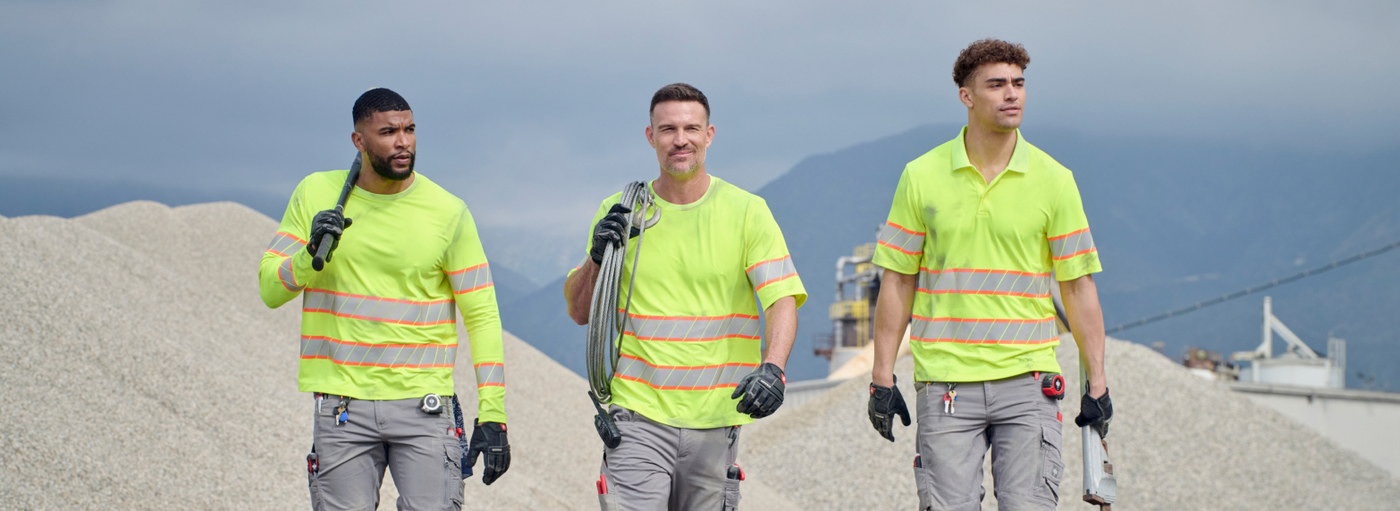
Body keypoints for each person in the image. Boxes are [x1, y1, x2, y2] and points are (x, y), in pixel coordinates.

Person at [864, 40, 1114, 510]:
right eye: (996, 84)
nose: (1011, 94)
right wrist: (881, 377)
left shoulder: (1055, 179)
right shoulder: (921, 176)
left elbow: (1078, 285)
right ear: (966, 96)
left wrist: (1097, 383)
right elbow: (897, 280)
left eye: (1018, 83)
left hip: (1029, 380)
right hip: (945, 381)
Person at [259, 88, 511, 511]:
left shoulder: (447, 210)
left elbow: (482, 315)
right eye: (388, 132)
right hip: (342, 406)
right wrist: (309, 255)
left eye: (410, 130)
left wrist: (494, 414)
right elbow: (270, 289)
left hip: (425, 407)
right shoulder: (315, 193)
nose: (404, 142)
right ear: (359, 140)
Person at [562, 83, 806, 511]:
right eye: (668, 129)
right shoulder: (620, 212)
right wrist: (597, 257)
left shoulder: (747, 212)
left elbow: (781, 298)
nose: (680, 139)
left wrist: (774, 368)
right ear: (650, 136)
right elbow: (580, 311)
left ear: (709, 135)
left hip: (717, 418)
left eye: (691, 128)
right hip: (637, 418)